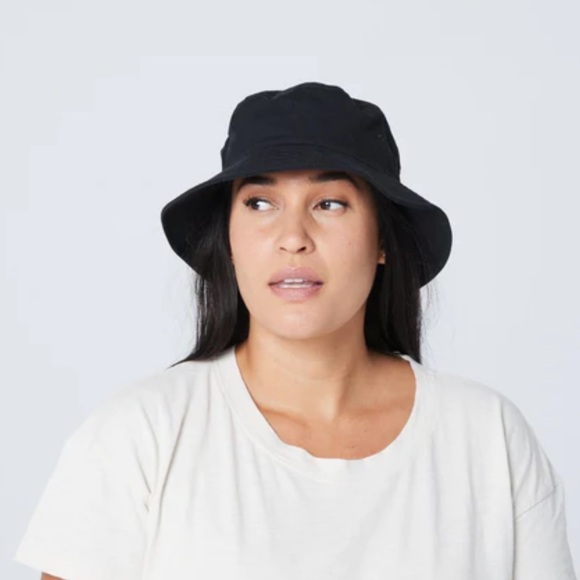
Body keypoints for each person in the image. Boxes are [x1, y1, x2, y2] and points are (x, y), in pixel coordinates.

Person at [14, 82, 576, 579]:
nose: (293, 237)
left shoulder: (487, 438)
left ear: (383, 239)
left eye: (329, 203)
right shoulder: (140, 435)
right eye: (260, 203)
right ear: (228, 239)